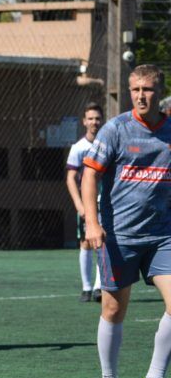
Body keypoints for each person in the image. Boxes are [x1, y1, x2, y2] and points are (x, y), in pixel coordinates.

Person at [81, 65, 171, 378]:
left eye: (147, 89)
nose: (140, 95)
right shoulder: (115, 129)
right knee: (114, 308)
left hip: (162, 236)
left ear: (159, 91)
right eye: (135, 89)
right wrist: (92, 222)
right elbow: (90, 176)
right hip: (119, 236)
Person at [66, 103, 105, 302]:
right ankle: (86, 288)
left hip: (105, 203)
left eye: (97, 118)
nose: (94, 122)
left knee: (102, 243)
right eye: (90, 118)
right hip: (86, 204)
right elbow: (70, 178)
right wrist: (79, 205)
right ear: (84, 122)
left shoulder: (107, 145)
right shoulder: (78, 148)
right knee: (85, 243)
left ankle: (99, 288)